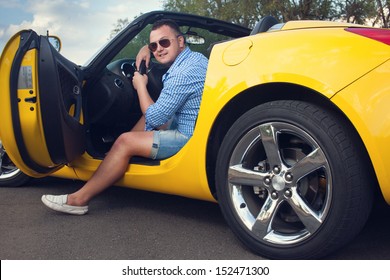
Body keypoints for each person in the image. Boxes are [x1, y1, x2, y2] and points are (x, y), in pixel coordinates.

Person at [41, 19, 208, 215]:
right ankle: (115, 159)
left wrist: (140, 86)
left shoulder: (182, 73)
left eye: (164, 43)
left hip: (187, 138)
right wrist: (146, 49)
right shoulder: (196, 59)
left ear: (181, 41)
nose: (158, 49)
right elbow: (157, 114)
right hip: (196, 126)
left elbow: (155, 116)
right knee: (139, 126)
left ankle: (78, 199)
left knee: (125, 139)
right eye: (154, 46)